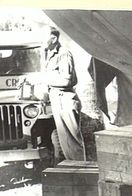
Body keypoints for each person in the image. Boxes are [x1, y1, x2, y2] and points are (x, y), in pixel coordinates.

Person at [44, 27, 86, 162]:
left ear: (54, 38)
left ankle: (82, 176)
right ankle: (75, 176)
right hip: (58, 100)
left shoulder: (63, 53)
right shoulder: (49, 54)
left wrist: (40, 79)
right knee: (66, 143)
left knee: (73, 144)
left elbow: (67, 79)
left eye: (42, 37)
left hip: (65, 100)